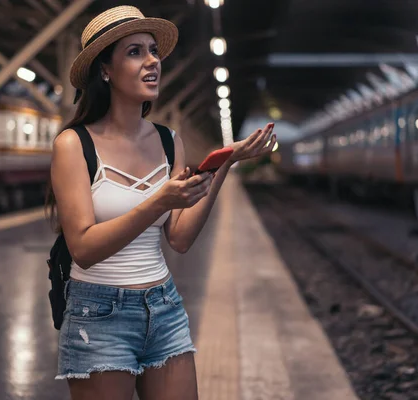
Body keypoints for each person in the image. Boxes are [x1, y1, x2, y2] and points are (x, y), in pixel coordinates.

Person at [46, 5, 276, 400]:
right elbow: (82, 249)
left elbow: (180, 238)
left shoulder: (170, 141)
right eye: (135, 52)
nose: (153, 61)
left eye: (153, 50)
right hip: (98, 316)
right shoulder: (74, 145)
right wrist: (157, 203)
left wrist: (224, 164)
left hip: (164, 306)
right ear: (105, 69)